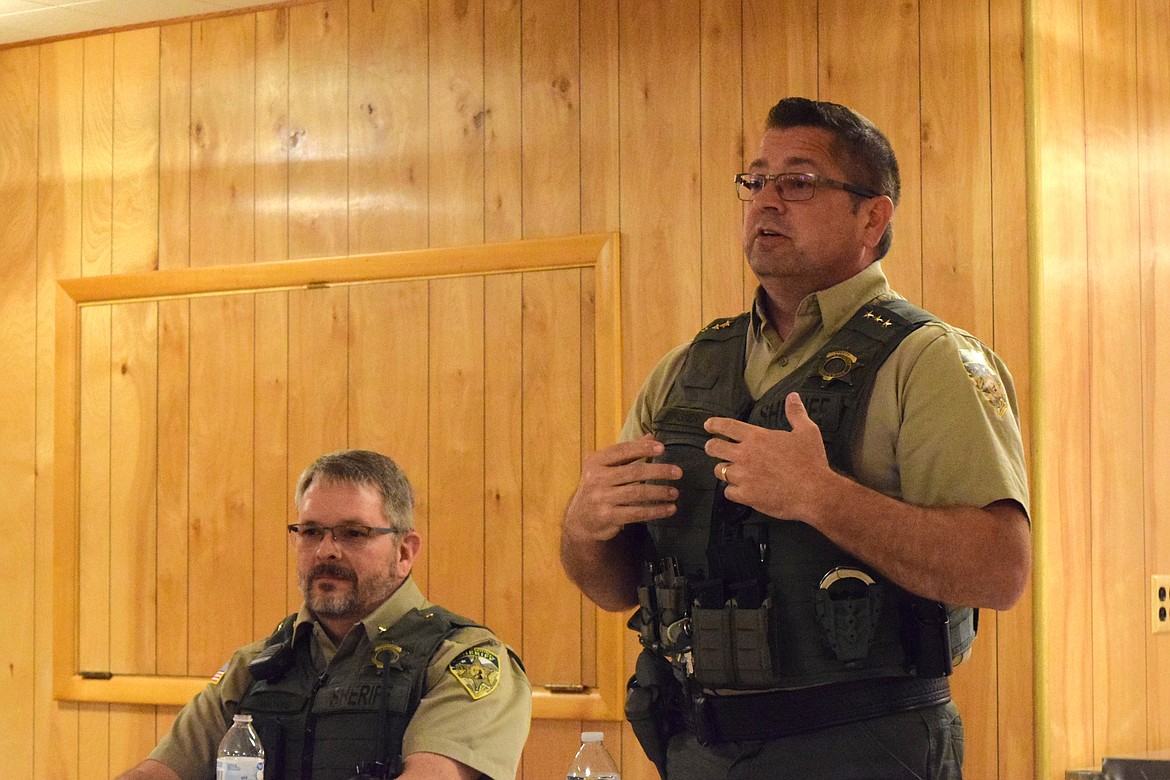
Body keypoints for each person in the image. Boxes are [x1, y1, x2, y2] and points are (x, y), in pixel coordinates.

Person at [560, 97, 1030, 780]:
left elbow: (1000, 571)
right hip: (694, 747)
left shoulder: (928, 361)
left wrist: (821, 497)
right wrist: (582, 526)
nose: (767, 201)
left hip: (862, 749)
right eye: (755, 181)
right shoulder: (688, 368)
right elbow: (614, 588)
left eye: (799, 182)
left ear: (873, 216)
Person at [117, 449, 532, 780]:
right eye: (311, 531)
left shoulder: (465, 661)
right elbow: (160, 771)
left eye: (354, 533)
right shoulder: (256, 668)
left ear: (404, 552)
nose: (326, 550)